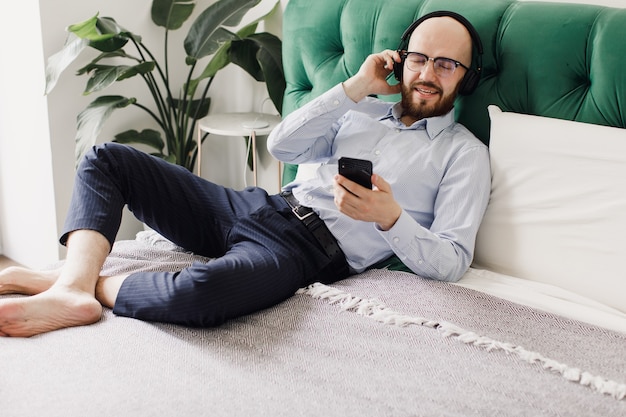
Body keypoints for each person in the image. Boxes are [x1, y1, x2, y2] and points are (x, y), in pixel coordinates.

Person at [0, 12, 490, 337]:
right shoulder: (359, 108)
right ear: (401, 61)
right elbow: (283, 145)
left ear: (465, 76)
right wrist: (358, 85)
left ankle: (79, 286)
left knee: (199, 295)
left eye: (446, 64)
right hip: (256, 205)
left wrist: (391, 219)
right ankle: (70, 285)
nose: (427, 73)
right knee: (106, 158)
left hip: (304, 250)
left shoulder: (463, 154)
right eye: (419, 58)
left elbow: (452, 260)